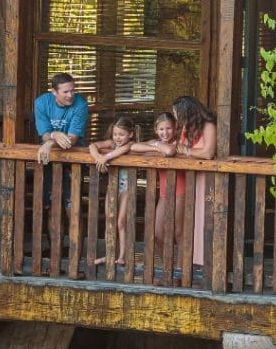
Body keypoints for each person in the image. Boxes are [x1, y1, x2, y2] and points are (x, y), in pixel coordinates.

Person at [171, 96, 217, 267]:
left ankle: (205, 262)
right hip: (189, 178)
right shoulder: (187, 128)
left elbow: (208, 152)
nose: (176, 118)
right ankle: (188, 263)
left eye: (177, 114)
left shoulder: (208, 125)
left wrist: (187, 151)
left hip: (205, 178)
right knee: (188, 222)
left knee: (203, 219)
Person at [131, 111, 184, 261]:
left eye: (169, 128)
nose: (165, 133)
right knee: (157, 233)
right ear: (156, 130)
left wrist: (158, 147)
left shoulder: (179, 143)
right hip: (164, 194)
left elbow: (169, 151)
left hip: (181, 192)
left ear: (175, 129)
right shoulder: (157, 143)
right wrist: (156, 146)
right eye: (161, 129)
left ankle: (180, 274)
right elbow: (133, 147)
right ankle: (169, 269)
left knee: (178, 233)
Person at [34, 73, 89, 214]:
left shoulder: (81, 104)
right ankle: (54, 237)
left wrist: (49, 143)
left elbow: (72, 139)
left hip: (74, 158)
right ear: (54, 92)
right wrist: (54, 136)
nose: (70, 95)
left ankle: (74, 237)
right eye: (65, 92)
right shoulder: (41, 103)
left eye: (72, 90)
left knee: (72, 208)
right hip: (50, 159)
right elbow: (44, 133)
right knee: (50, 207)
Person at [88, 115, 137, 266]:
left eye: (121, 134)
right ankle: (109, 254)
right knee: (110, 219)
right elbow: (92, 146)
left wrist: (106, 157)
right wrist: (98, 158)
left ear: (131, 134)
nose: (117, 138)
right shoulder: (111, 143)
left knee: (121, 221)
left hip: (127, 187)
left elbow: (121, 151)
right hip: (113, 186)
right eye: (115, 134)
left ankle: (122, 256)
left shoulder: (131, 145)